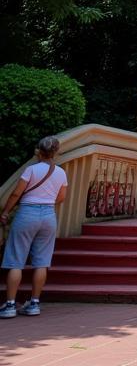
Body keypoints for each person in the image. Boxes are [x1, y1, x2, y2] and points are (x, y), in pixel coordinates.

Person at [0, 136, 68, 318]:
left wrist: (6, 211)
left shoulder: (31, 170)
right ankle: (34, 303)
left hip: (27, 214)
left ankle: (10, 305)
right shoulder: (61, 173)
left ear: (38, 151)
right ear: (56, 152)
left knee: (16, 259)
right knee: (42, 261)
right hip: (48, 216)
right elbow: (61, 198)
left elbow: (16, 194)